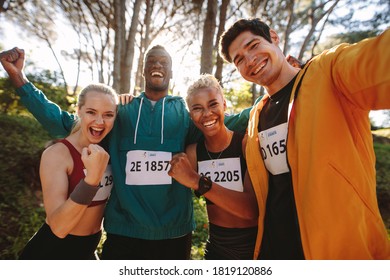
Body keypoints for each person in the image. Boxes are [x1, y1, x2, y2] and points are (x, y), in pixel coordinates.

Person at [1, 46, 250, 259]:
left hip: (174, 233)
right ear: (142, 70)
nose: (157, 65)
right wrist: (21, 81)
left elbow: (230, 123)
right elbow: (64, 122)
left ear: (171, 72)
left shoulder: (186, 115)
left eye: (164, 62)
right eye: (151, 61)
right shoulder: (120, 111)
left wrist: (275, 97)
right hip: (124, 234)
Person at [218, 18, 390, 259]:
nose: (250, 60)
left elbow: (378, 61)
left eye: (254, 45)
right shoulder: (257, 115)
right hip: (273, 252)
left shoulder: (328, 72)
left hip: (339, 253)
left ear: (274, 37)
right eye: (239, 59)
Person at [1, 46, 118, 259]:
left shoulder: (108, 145)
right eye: (91, 112)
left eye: (108, 114)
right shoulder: (58, 154)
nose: (99, 122)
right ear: (79, 111)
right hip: (52, 252)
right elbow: (59, 227)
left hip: (88, 250)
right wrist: (91, 180)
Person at [168, 74, 258, 259]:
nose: (207, 113)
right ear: (191, 116)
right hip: (216, 248)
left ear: (224, 104)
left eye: (213, 104)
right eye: (197, 108)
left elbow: (250, 210)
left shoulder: (246, 144)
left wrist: (197, 181)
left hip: (254, 248)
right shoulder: (192, 153)